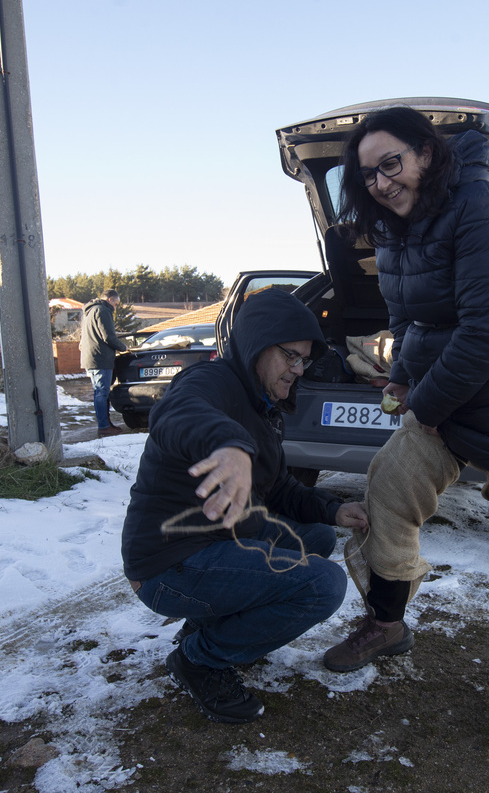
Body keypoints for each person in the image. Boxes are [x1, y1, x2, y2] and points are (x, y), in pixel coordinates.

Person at [323, 107, 489, 758]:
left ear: (425, 153)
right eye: (369, 173)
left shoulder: (480, 210)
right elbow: (411, 319)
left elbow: (484, 337)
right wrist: (401, 378)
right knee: (389, 486)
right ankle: (387, 622)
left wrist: (427, 404)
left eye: (392, 162)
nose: (383, 181)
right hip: (452, 387)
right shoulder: (392, 231)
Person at [122, 288, 367, 724]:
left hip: (221, 541)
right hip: (169, 562)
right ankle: (200, 660)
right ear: (257, 343)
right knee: (323, 586)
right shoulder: (209, 383)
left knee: (318, 537)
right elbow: (178, 413)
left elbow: (279, 487)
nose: (297, 370)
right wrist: (229, 445)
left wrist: (333, 509)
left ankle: (211, 626)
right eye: (290, 356)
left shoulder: (263, 403)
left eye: (304, 360)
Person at [80, 289, 129, 437]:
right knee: (102, 393)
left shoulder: (90, 311)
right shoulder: (103, 311)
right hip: (101, 358)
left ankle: (106, 424)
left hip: (91, 357)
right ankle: (104, 426)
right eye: (116, 303)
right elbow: (108, 337)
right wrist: (124, 348)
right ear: (110, 300)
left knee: (99, 392)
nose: (116, 307)